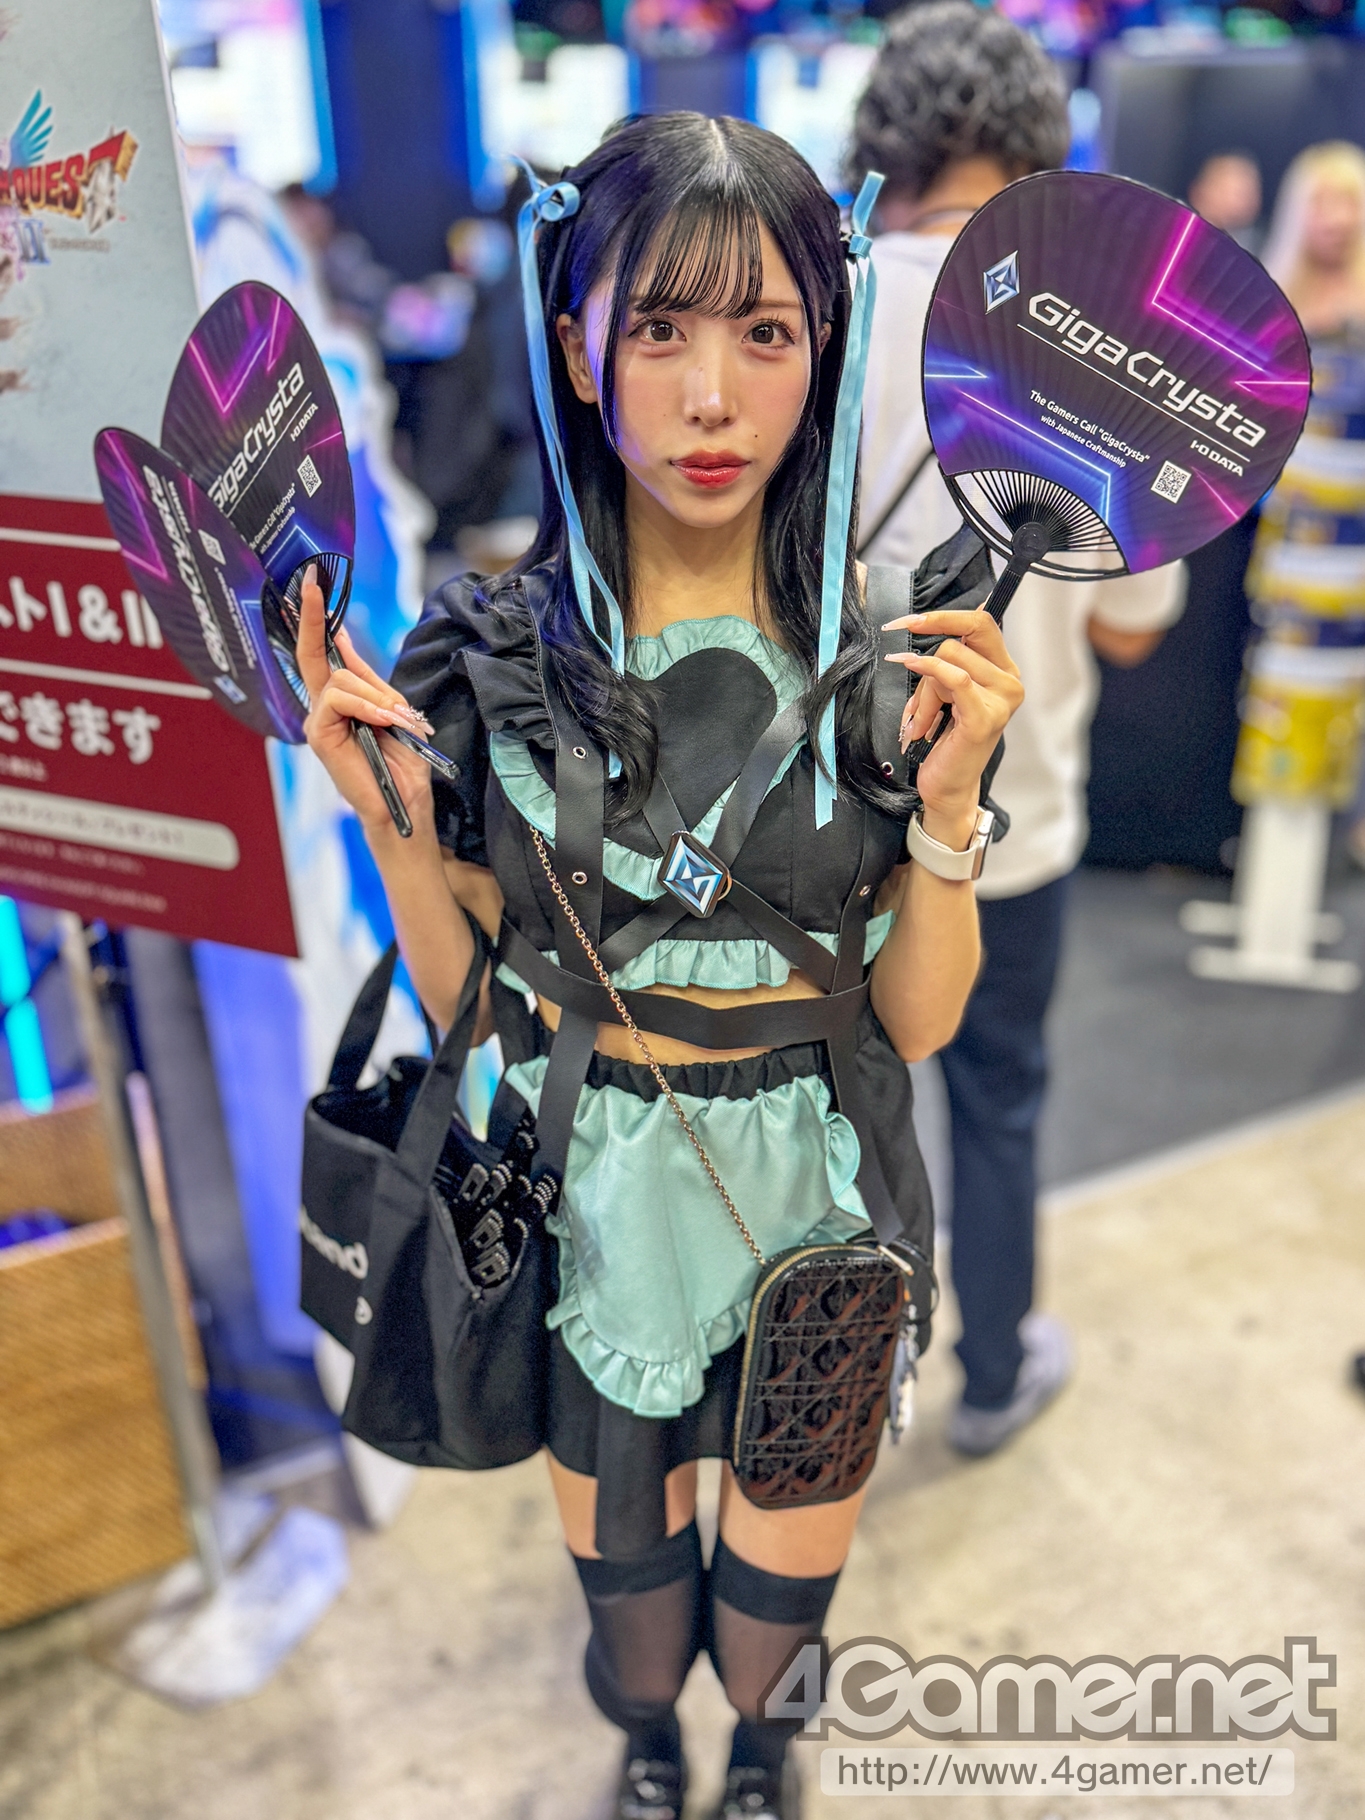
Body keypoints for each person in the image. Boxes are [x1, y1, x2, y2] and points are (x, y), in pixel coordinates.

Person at [298, 112, 1021, 1820]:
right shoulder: (486, 657)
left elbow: (918, 1020)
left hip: (821, 1221)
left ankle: (760, 1752)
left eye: (764, 331)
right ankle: (647, 1749)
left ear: (822, 347)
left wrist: (950, 810)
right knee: (636, 1648)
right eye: (660, 328)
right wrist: (392, 825)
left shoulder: (892, 660)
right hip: (591, 1212)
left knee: (767, 1645)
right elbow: (471, 1003)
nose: (711, 397)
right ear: (578, 347)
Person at [852, 3, 1186, 1458]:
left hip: (832, 812)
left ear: (885, 140)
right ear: (1045, 156)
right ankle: (991, 1373)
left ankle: (833, 1389)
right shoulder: (1100, 346)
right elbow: (1132, 626)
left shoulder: (818, 305)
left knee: (840, 1107)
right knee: (996, 1098)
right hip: (1015, 814)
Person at [1188, 152, 1264, 255]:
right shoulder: (1179, 238)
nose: (1240, 202)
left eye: (1248, 193)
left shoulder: (1264, 246)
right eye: (1228, 192)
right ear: (1199, 192)